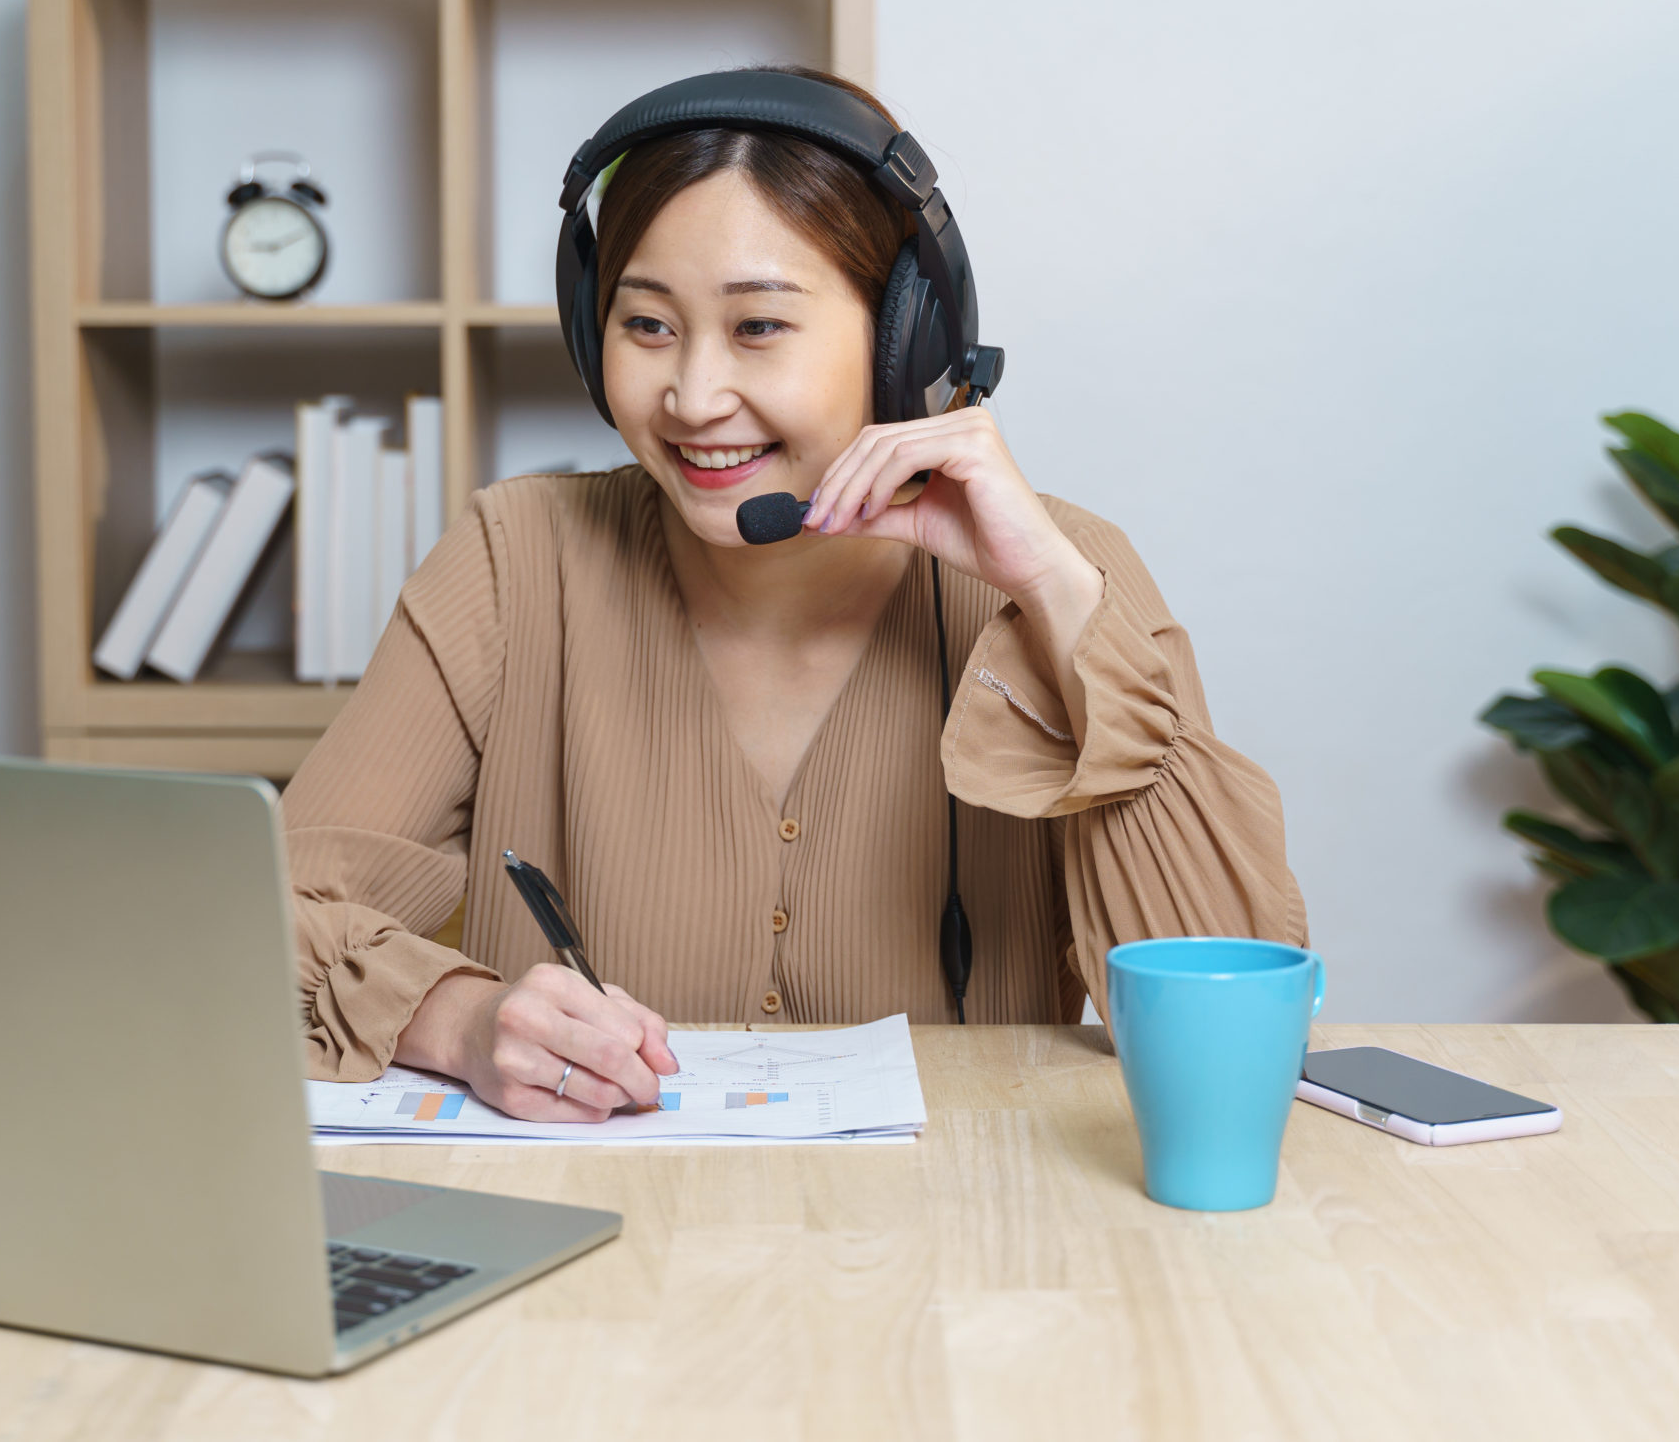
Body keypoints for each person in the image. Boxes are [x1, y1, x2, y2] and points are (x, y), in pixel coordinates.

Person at [281, 67, 1306, 1122]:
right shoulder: (514, 560)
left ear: (908, 340)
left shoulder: (1062, 568)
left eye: (758, 327)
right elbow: (256, 917)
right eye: (645, 326)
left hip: (967, 1250)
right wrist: (460, 1020)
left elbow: (1234, 1022)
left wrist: (1050, 594)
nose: (691, 396)